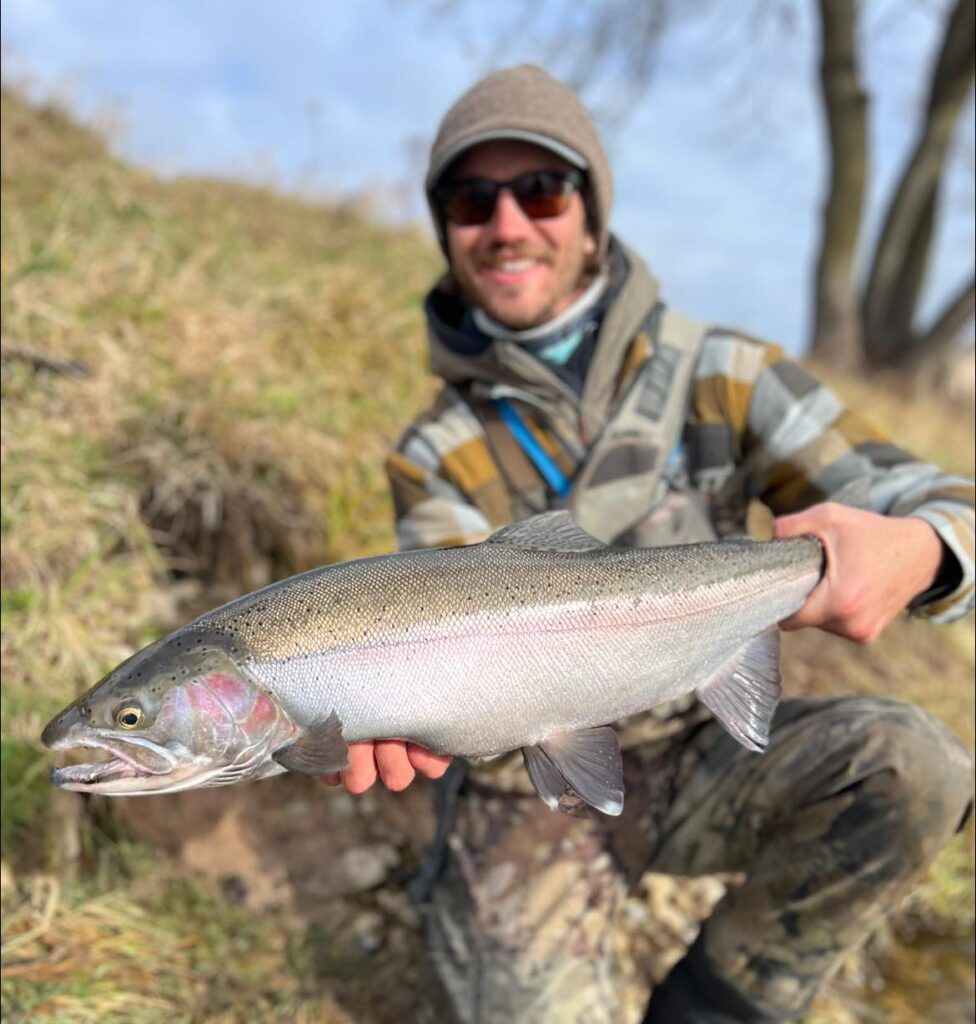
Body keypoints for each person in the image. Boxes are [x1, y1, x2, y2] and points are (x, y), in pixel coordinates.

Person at [321, 65, 976, 1023]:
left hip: (709, 740)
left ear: (592, 211)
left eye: (541, 189)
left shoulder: (727, 373)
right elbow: (447, 668)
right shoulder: (434, 452)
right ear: (447, 228)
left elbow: (938, 497)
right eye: (471, 200)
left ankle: (718, 1006)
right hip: (533, 785)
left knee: (911, 766)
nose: (507, 225)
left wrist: (925, 548)